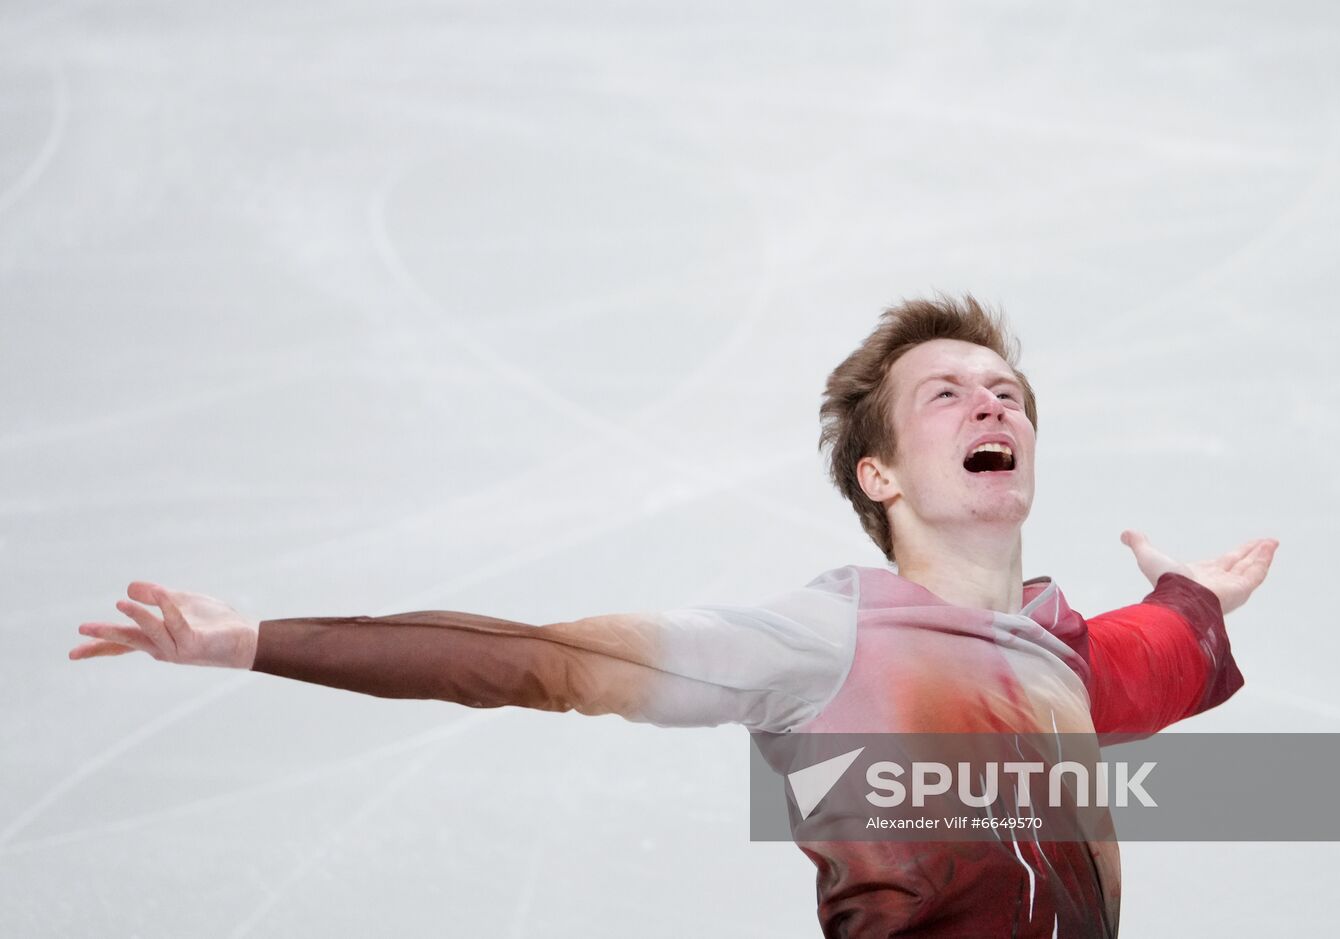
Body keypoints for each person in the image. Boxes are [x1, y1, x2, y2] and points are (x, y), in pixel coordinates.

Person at [69, 294, 1278, 937]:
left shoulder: (1054, 651)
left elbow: (1145, 659)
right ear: (880, 476)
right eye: (945, 393)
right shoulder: (821, 644)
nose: (987, 405)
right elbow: (535, 664)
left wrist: (1193, 598)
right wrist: (256, 641)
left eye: (1004, 392)